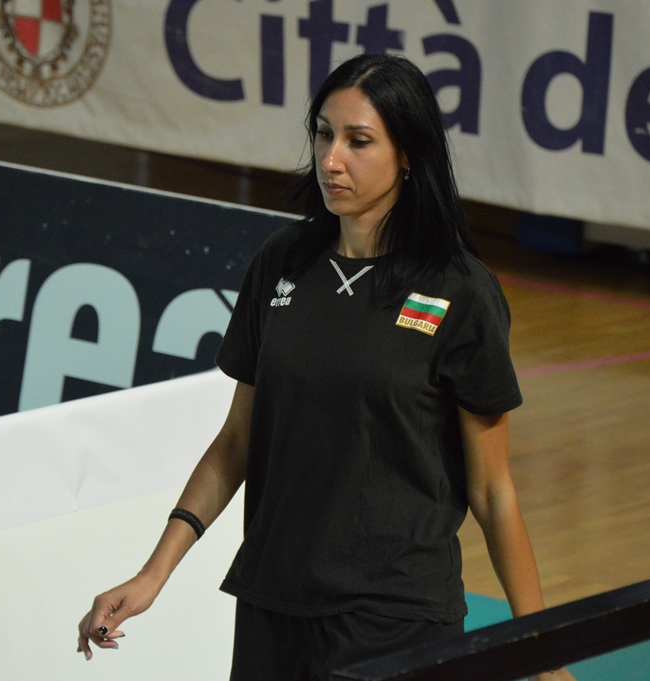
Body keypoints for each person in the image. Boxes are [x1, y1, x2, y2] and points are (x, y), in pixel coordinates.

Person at [77, 53, 576, 681]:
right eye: (323, 134)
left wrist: (540, 648)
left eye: (358, 141)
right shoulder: (282, 262)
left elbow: (492, 490)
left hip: (395, 619)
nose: (331, 159)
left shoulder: (461, 291)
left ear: (408, 155)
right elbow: (236, 443)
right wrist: (154, 574)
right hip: (272, 607)